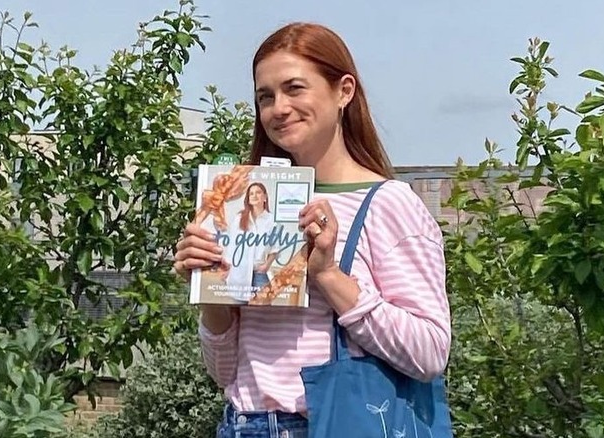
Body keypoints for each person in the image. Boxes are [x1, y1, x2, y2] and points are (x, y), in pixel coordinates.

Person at [173, 22, 451, 438]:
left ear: (344, 91)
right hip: (241, 425)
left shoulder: (388, 204)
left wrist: (328, 276)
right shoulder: (237, 202)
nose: (278, 108)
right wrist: (209, 286)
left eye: (295, 88)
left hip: (330, 423)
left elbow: (429, 352)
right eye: (265, 96)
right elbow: (225, 373)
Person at [221, 182, 279, 295]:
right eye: (251, 194)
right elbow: (232, 245)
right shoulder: (240, 219)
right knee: (239, 307)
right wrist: (228, 269)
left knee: (263, 305)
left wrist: (266, 266)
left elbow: (275, 248)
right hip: (239, 272)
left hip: (259, 272)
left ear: (265, 197)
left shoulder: (271, 221)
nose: (254, 196)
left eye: (258, 192)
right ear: (248, 199)